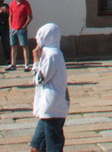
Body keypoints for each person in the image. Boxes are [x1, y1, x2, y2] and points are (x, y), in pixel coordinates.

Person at [29, 23, 69, 152]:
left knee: (53, 146)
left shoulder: (52, 55)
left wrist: (36, 61)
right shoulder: (51, 53)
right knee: (36, 146)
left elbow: (39, 79)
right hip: (48, 107)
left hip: (52, 107)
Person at [7, 0, 34, 71]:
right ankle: (13, 64)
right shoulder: (12, 4)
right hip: (13, 28)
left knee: (24, 46)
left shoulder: (25, 4)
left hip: (21, 29)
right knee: (13, 46)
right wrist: (10, 26)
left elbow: (30, 16)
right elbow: (10, 16)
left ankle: (26, 65)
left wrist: (25, 25)